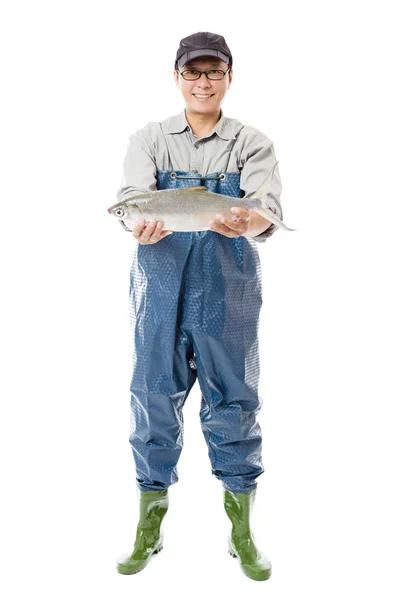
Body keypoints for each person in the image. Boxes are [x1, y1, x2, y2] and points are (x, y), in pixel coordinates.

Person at [115, 31, 284, 581]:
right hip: (159, 287)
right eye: (194, 72)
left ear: (229, 77)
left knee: (234, 401)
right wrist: (139, 228)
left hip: (227, 287)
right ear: (178, 78)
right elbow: (133, 205)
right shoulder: (149, 139)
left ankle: (241, 533)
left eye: (214, 72)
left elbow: (266, 214)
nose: (204, 81)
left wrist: (246, 220)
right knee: (151, 398)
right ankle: (150, 526)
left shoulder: (252, 142)